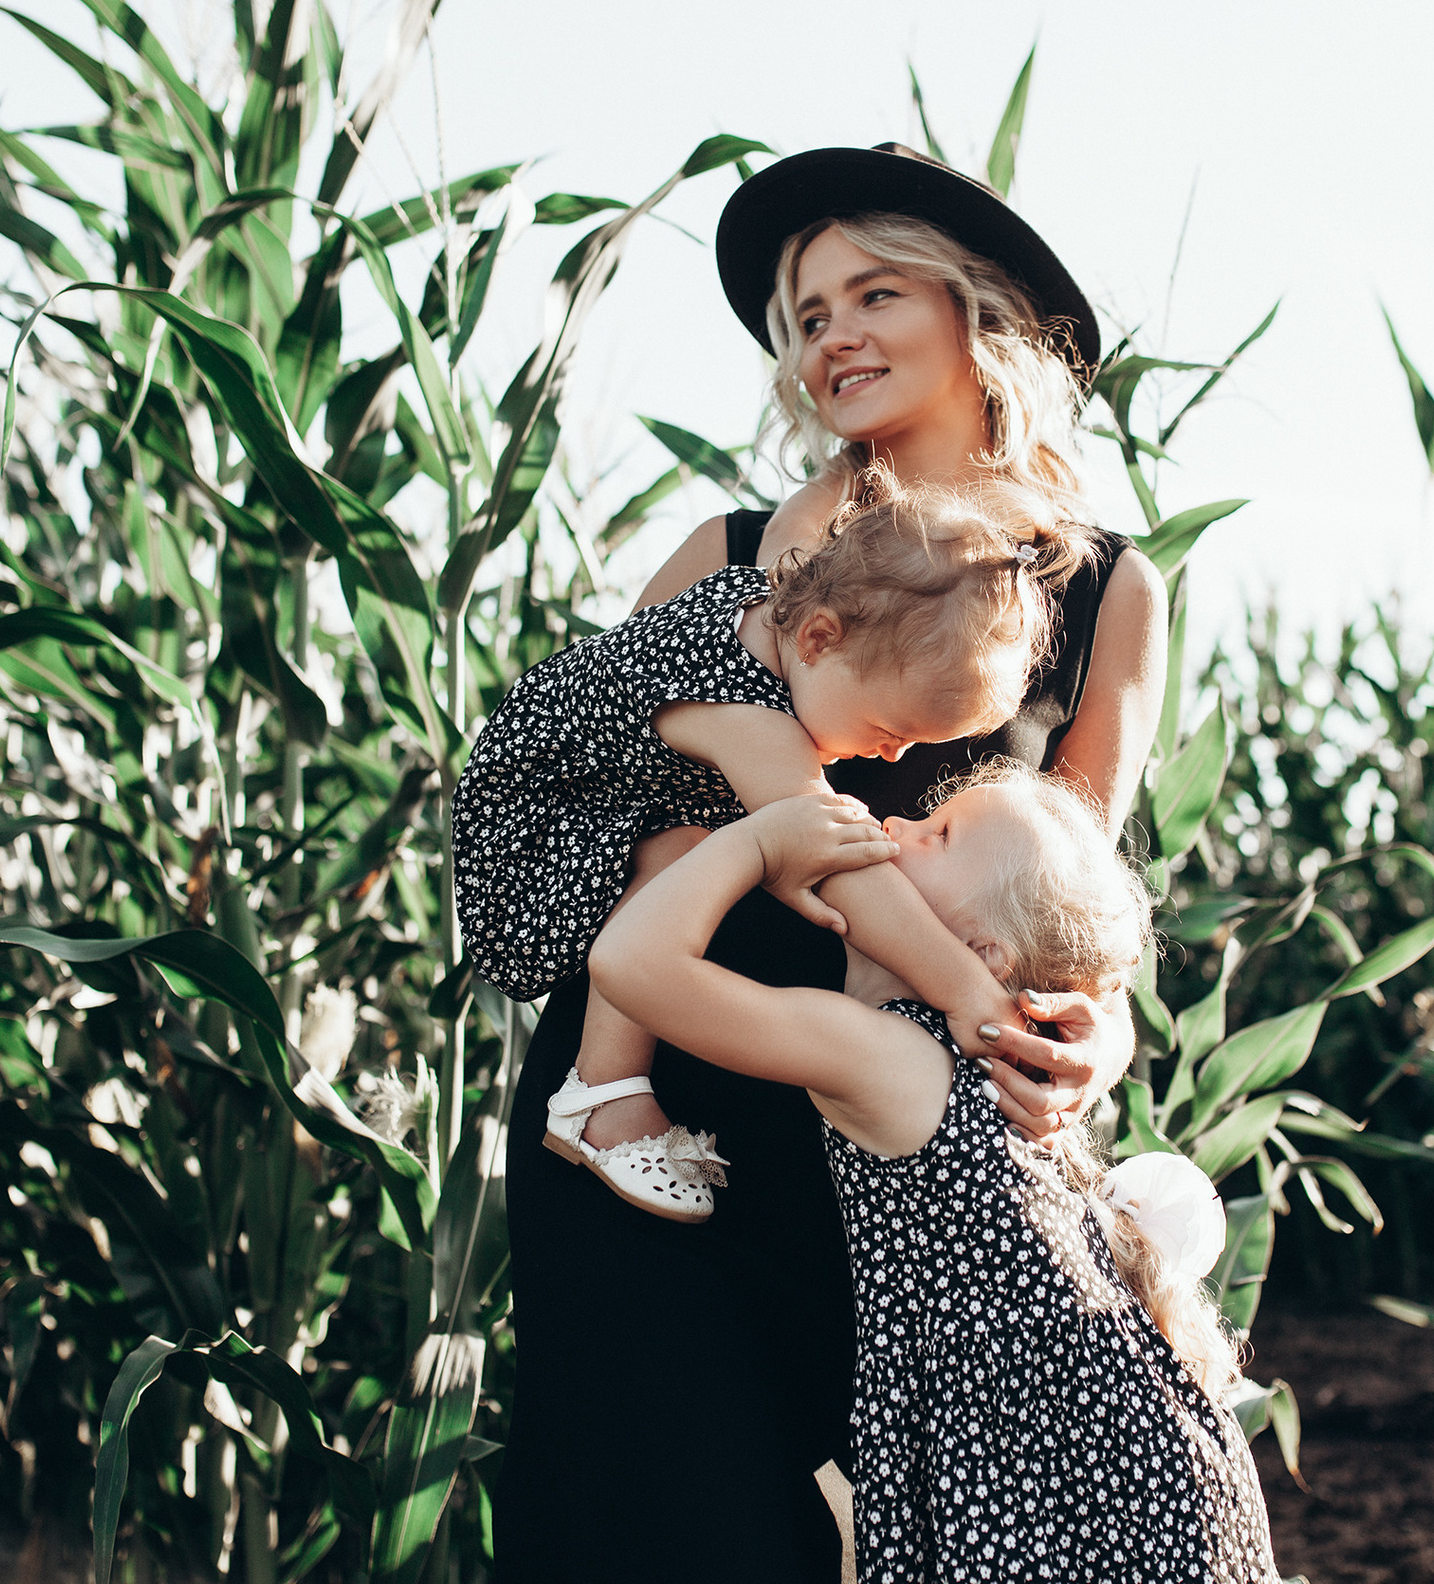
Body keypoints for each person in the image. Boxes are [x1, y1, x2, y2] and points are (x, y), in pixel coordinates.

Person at [495, 144, 1166, 1581]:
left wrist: (1086, 1033)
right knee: (681, 1535)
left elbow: (1073, 890)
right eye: (805, 316)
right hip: (656, 1110)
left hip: (899, 1156)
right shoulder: (724, 561)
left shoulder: (1109, 588)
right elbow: (626, 797)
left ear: (980, 314)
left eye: (873, 291)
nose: (830, 337)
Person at [591, 773, 1280, 1583]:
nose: (895, 822)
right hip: (1134, 1476)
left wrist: (758, 840)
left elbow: (628, 962)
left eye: (939, 833)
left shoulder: (889, 1057)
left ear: (984, 950)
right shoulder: (986, 1061)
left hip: (1076, 1491)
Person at [455, 483, 1091, 1221]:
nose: (892, 755)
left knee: (707, 845)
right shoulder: (746, 713)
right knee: (679, 856)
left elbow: (798, 522)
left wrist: (836, 482)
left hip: (585, 791)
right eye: (892, 726)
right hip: (532, 827)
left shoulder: (786, 583)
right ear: (819, 638)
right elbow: (846, 867)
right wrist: (970, 995)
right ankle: (601, 1095)